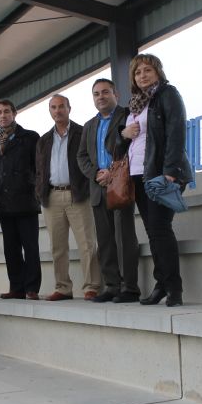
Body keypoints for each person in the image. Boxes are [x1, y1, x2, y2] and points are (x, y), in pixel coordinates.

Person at [119, 54, 193, 307]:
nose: (142, 75)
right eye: (137, 72)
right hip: (138, 174)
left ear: (158, 72)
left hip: (161, 173)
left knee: (161, 229)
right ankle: (161, 284)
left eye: (147, 70)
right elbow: (124, 142)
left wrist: (170, 170)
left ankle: (174, 288)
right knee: (152, 232)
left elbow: (176, 131)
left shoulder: (167, 95)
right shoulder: (135, 105)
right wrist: (124, 133)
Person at [77, 79, 140, 303]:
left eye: (105, 92)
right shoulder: (89, 125)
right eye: (96, 94)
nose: (100, 97)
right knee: (105, 240)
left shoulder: (127, 115)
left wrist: (111, 173)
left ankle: (130, 287)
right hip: (98, 187)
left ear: (116, 94)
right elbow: (81, 156)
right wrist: (96, 173)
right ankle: (112, 286)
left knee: (124, 237)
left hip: (120, 184)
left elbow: (131, 146)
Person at [35, 94, 101, 301]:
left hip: (78, 195)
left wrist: (86, 187)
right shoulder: (44, 140)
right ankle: (63, 287)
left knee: (87, 243)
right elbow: (39, 170)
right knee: (57, 246)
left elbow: (91, 160)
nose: (58, 111)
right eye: (53, 107)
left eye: (61, 106)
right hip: (52, 197)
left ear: (69, 108)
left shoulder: (83, 132)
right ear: (50, 111)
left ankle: (92, 286)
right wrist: (40, 191)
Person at [0, 98, 42, 300]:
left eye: (6, 111)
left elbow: (38, 167)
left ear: (14, 113)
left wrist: (30, 186)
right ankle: (16, 287)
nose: (3, 115)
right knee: (11, 249)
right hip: (5, 201)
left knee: (31, 247)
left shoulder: (30, 137)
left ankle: (32, 288)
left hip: (26, 199)